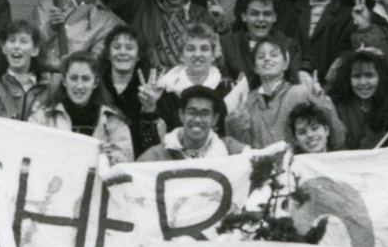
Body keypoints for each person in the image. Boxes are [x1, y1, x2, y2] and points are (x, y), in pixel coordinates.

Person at [224, 38, 346, 150]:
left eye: (274, 55)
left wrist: (323, 104)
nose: (267, 59)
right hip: (262, 168)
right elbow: (244, 151)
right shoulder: (247, 102)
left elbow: (338, 140)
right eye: (261, 56)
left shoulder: (301, 92)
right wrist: (237, 125)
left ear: (285, 63)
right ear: (254, 67)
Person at [29, 52, 135, 165]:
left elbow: (125, 165)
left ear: (95, 82)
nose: (79, 86)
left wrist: (109, 156)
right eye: (74, 78)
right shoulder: (43, 118)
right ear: (64, 81)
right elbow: (30, 154)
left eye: (86, 79)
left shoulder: (112, 121)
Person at [33, 0, 123, 72]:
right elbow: (30, 45)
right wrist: (50, 28)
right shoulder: (47, 4)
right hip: (40, 76)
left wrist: (69, 66)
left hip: (75, 80)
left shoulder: (106, 20)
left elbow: (95, 60)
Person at [277, 0, 355, 82]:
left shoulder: (346, 16)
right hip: (290, 80)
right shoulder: (290, 9)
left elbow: (345, 51)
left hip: (325, 83)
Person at [328, 49, 388, 150]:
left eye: (369, 76)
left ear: (381, 77)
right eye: (357, 76)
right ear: (348, 79)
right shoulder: (339, 107)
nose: (363, 82)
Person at [137, 85, 248, 161]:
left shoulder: (229, 149)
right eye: (192, 112)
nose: (197, 119)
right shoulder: (158, 155)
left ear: (215, 119)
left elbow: (260, 162)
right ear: (181, 115)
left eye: (205, 113)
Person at [99, 25, 163, 156]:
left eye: (129, 48)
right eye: (117, 47)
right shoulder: (97, 85)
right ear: (108, 54)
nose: (123, 52)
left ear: (138, 55)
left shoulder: (149, 89)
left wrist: (149, 110)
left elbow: (153, 147)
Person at [220, 0, 299, 86]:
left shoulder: (288, 45)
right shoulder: (229, 45)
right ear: (244, 16)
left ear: (274, 17)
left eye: (267, 14)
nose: (261, 19)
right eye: (254, 14)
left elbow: (294, 82)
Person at [0, 20, 50, 121]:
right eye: (11, 40)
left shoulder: (49, 86)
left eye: (23, 41)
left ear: (35, 50)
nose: (16, 46)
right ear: (4, 48)